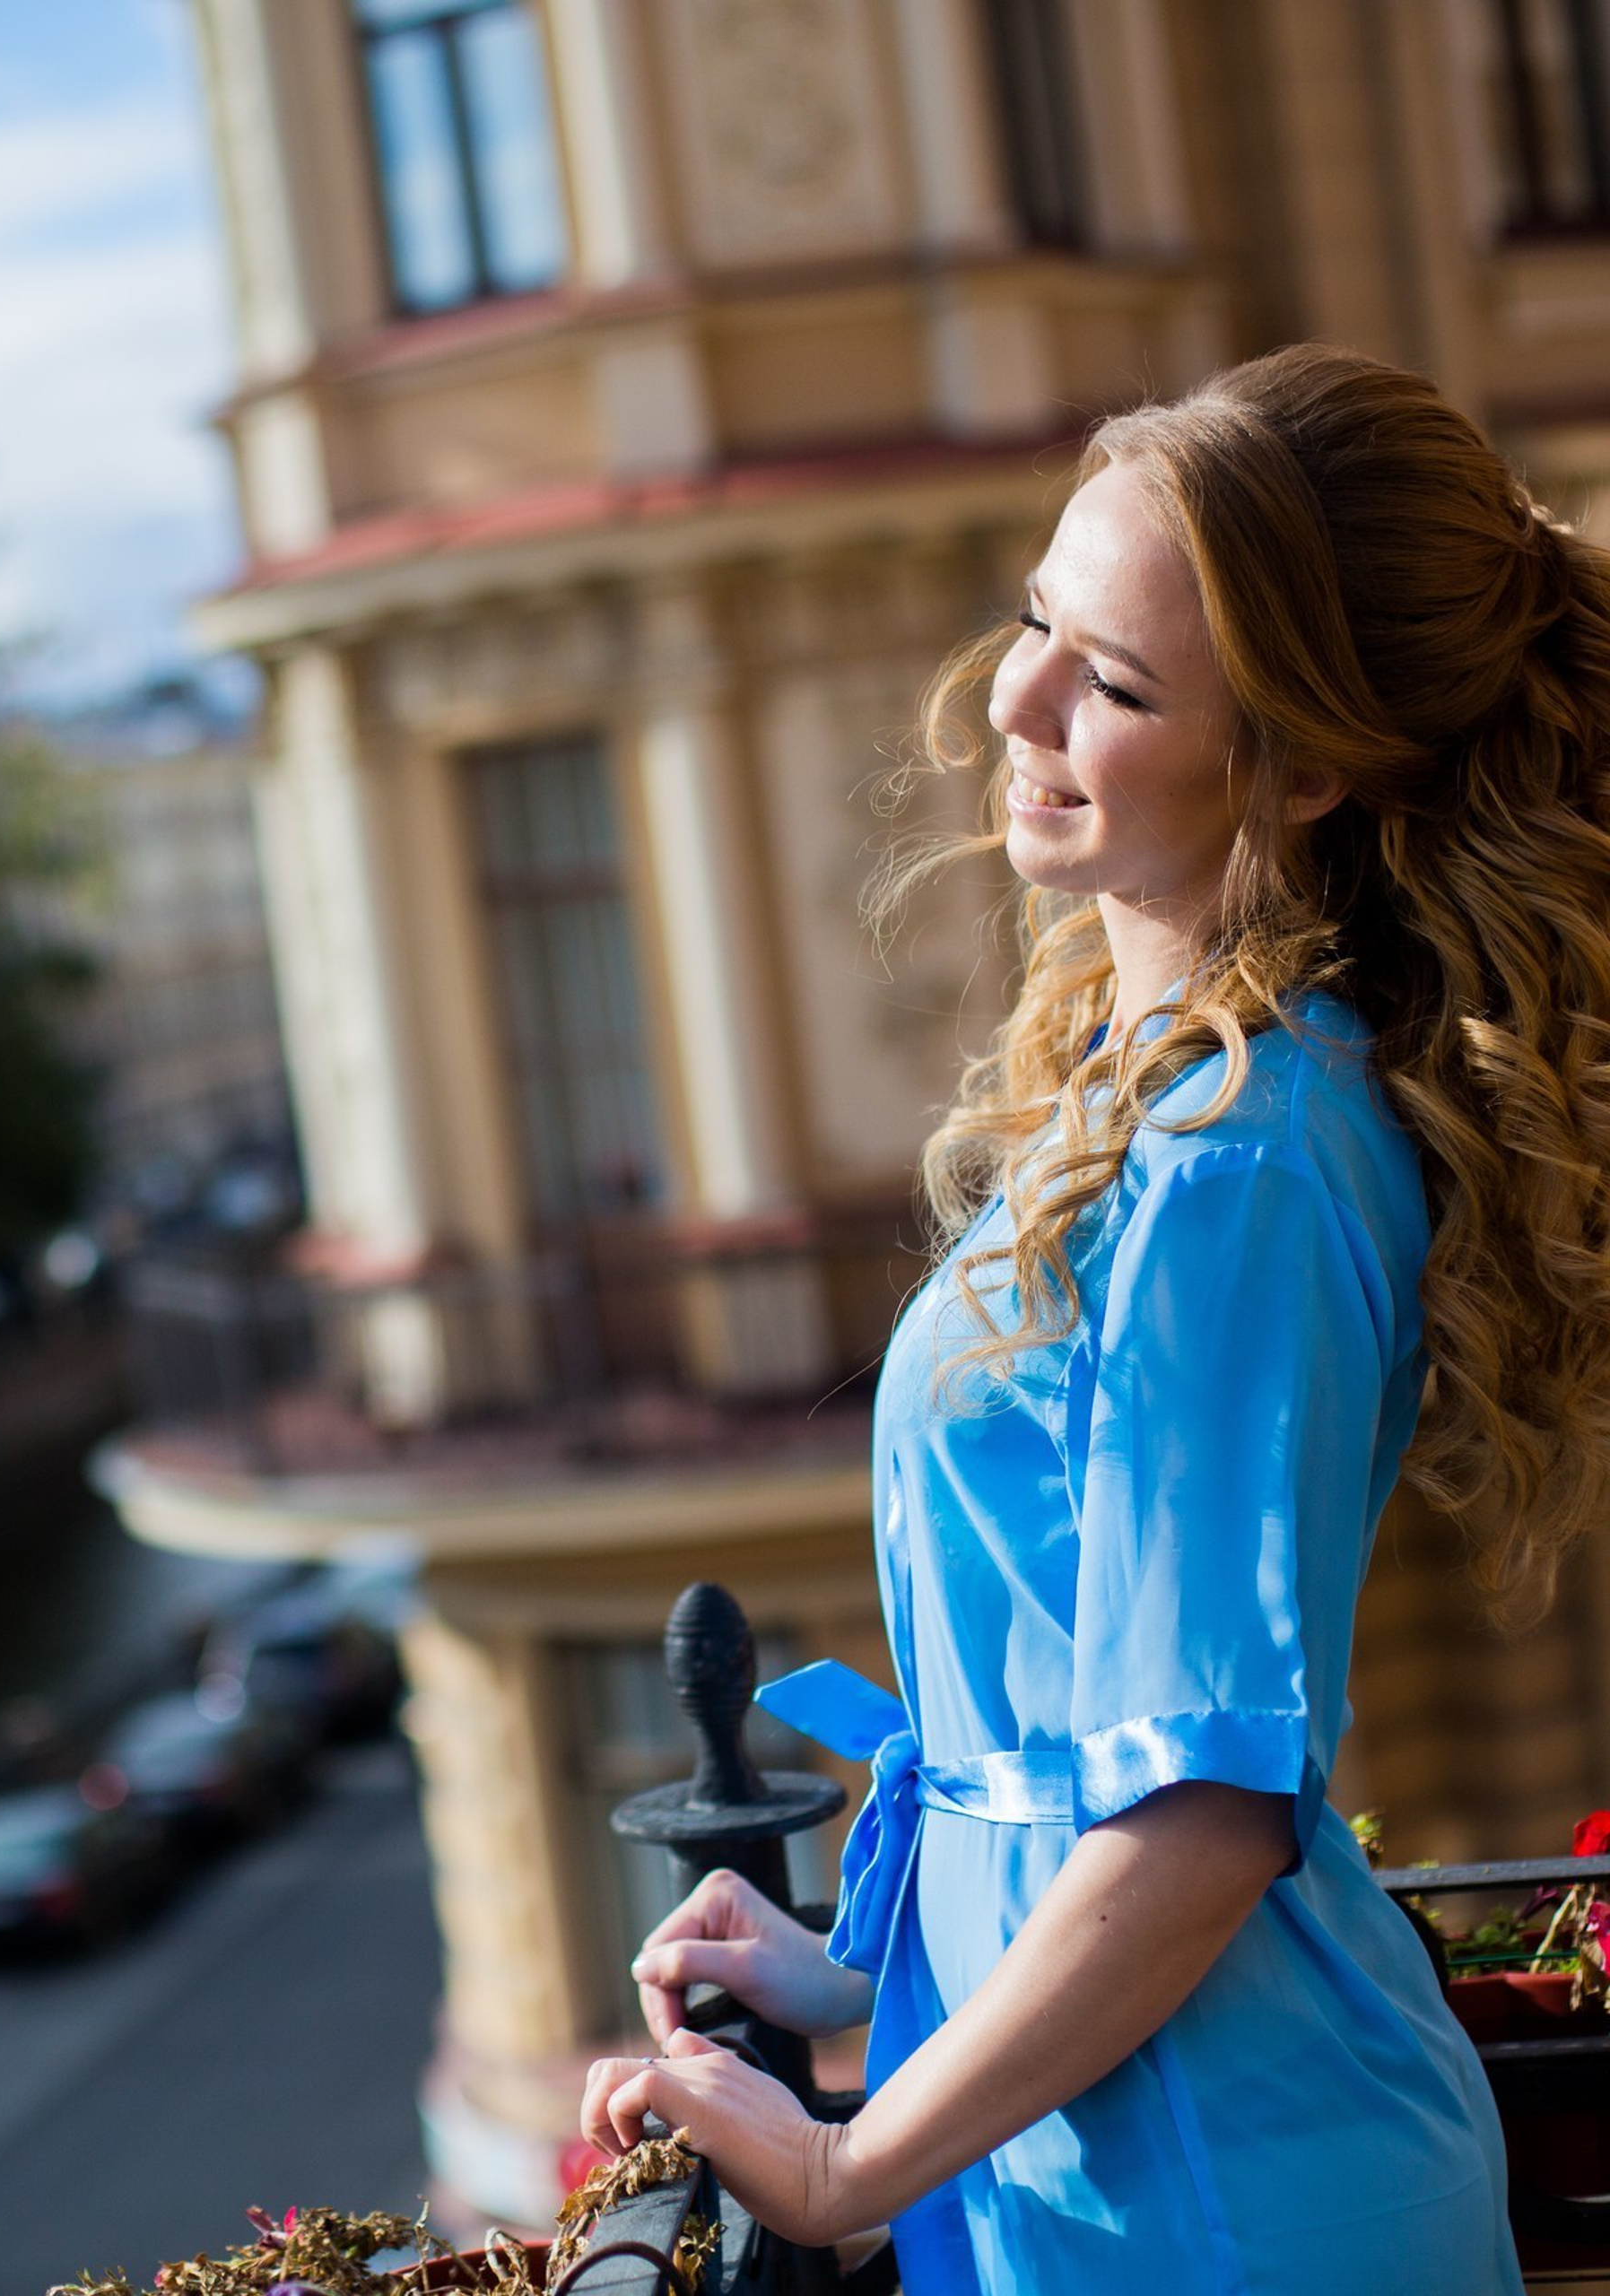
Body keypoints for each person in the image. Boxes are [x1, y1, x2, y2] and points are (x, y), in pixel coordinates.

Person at [580, 344, 1610, 2291]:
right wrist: (853, 1966)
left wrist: (841, 2163)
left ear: (1303, 763)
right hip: (1140, 2168)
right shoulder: (1169, 1093)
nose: (1013, 698)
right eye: (1036, 616)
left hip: (1222, 2208)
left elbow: (1201, 1811)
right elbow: (1076, 1760)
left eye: (1113, 683)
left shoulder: (1234, 1159)